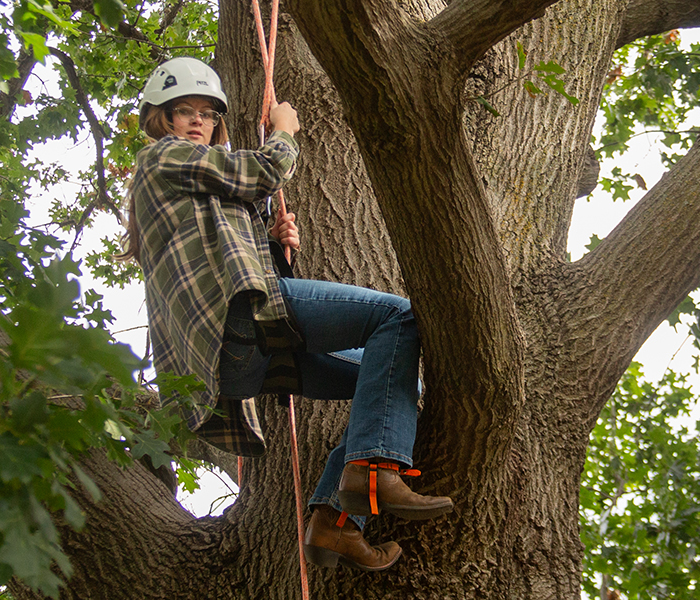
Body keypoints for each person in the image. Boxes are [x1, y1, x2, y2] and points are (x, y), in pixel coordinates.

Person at [121, 57, 454, 571]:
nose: (196, 121)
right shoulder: (162, 158)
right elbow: (260, 171)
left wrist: (272, 244)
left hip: (238, 361)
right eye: (181, 111)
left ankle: (335, 523)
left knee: (387, 384)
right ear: (159, 121)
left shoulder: (191, 182)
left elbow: (229, 243)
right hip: (235, 323)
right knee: (400, 319)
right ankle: (372, 470)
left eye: (207, 114)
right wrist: (284, 132)